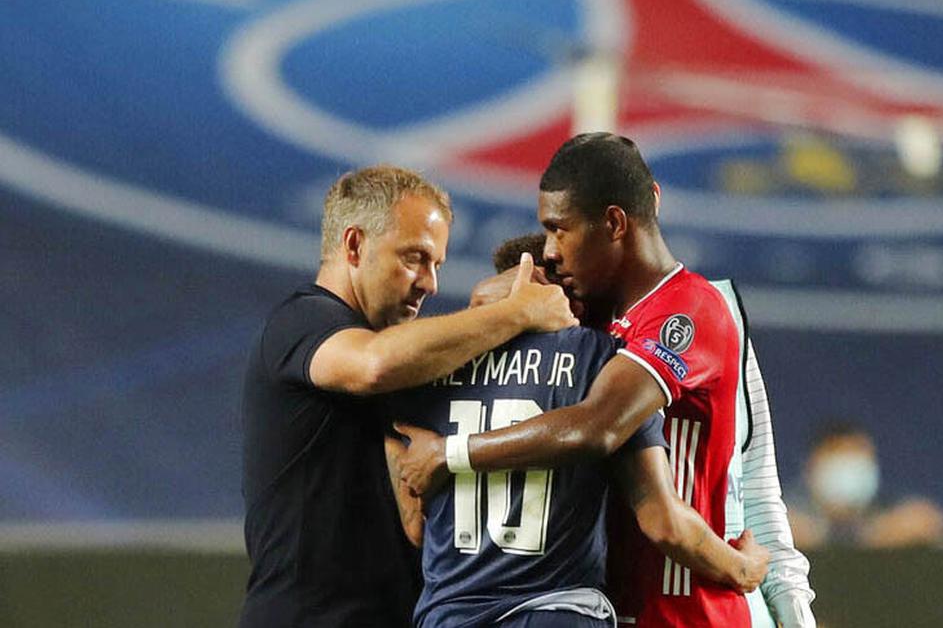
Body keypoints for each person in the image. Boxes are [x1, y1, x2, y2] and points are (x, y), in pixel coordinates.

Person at [395, 133, 813, 627]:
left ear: (615, 223)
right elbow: (492, 296)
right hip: (614, 609)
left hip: (690, 612)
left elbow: (602, 427)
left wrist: (452, 453)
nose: (550, 251)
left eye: (559, 230)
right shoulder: (588, 320)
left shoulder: (691, 309)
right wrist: (503, 302)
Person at [239, 165, 576, 628]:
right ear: (354, 245)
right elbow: (373, 364)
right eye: (415, 258)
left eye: (437, 264)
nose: (429, 283)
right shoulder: (301, 323)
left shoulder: (406, 362)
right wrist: (516, 313)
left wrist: (491, 305)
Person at [384, 236, 768, 627]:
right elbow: (662, 519)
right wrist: (743, 567)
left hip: (449, 615)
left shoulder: (425, 371)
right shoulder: (604, 363)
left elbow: (416, 527)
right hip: (557, 611)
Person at [788, 422, 943, 549]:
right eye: (837, 454)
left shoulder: (893, 514)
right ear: (810, 467)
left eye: (856, 455)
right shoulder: (783, 515)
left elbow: (928, 523)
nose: (848, 468)